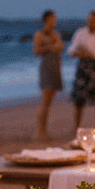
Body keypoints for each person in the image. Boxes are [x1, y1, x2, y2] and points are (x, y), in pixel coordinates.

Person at [67, 10, 95, 129]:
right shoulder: (80, 33)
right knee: (79, 99)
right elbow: (71, 50)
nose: (90, 22)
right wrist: (80, 53)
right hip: (83, 67)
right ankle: (76, 127)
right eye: (88, 20)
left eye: (93, 20)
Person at [33, 9, 63, 140]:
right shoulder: (40, 34)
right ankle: (40, 132)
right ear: (48, 19)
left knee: (49, 102)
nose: (55, 20)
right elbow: (36, 51)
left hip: (56, 67)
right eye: (53, 17)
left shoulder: (56, 33)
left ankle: (45, 131)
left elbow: (61, 47)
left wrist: (57, 46)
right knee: (45, 101)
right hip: (46, 68)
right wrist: (50, 47)